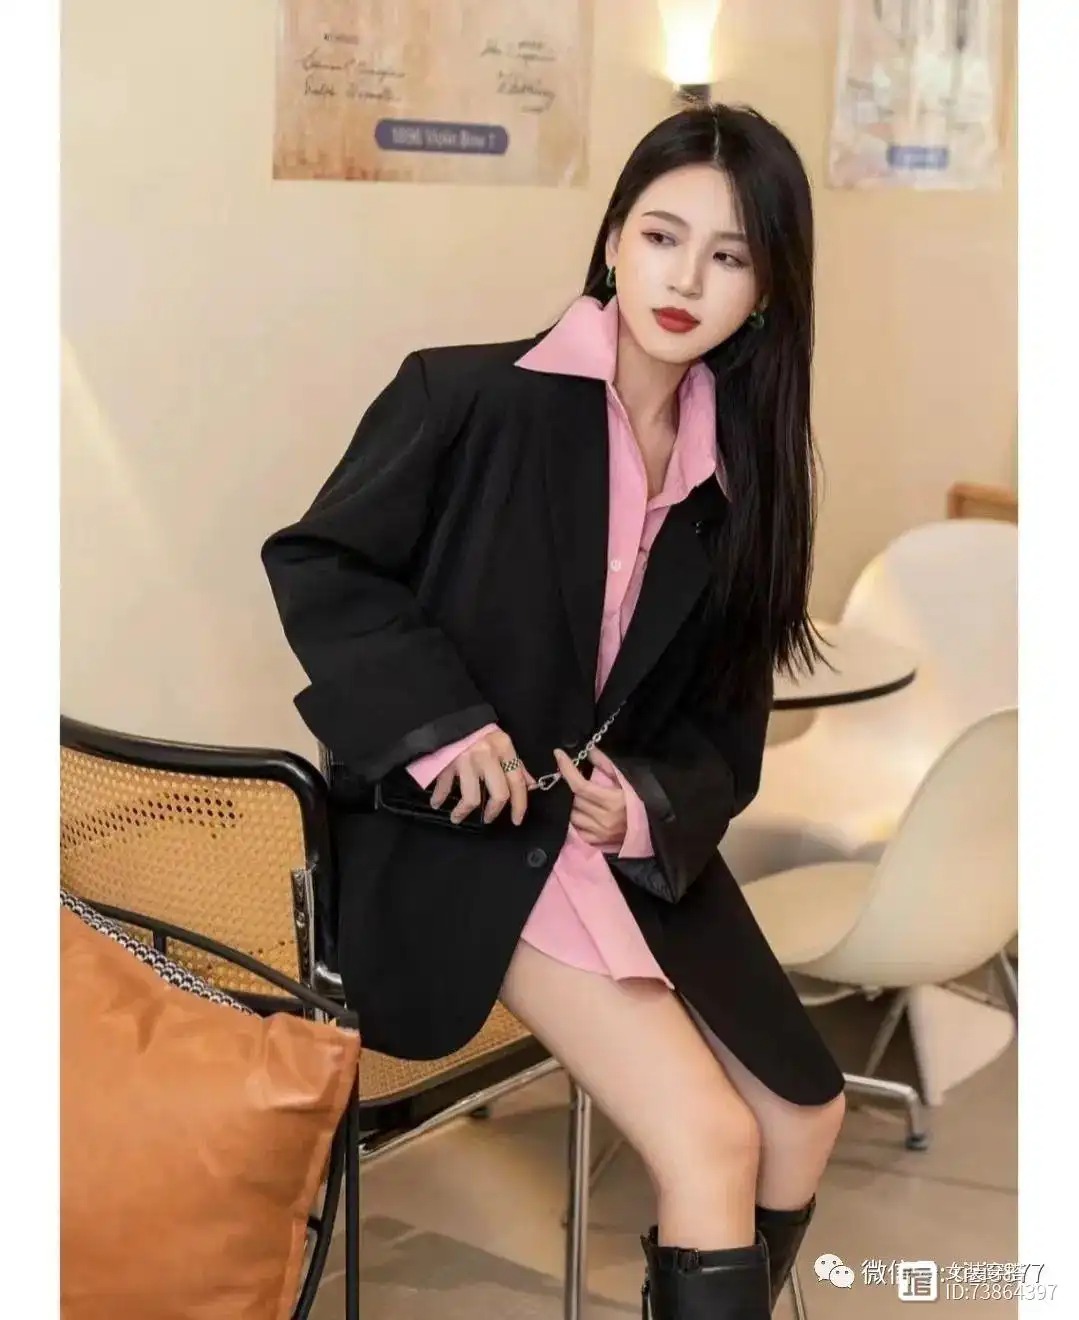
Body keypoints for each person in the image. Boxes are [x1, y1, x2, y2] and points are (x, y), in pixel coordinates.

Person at [262, 102, 846, 1319]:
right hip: (463, 843)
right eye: (660, 236)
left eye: (728, 256)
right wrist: (440, 721)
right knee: (711, 1142)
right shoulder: (466, 397)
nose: (683, 280)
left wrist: (642, 806)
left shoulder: (740, 479)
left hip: (617, 845)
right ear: (612, 239)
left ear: (766, 291)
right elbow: (323, 563)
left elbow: (722, 725)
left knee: (802, 1115)